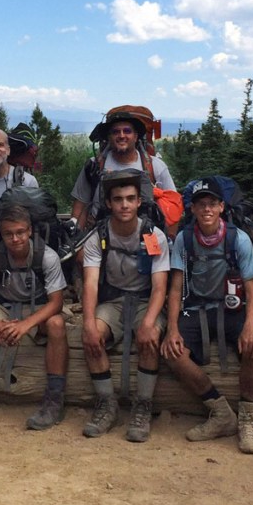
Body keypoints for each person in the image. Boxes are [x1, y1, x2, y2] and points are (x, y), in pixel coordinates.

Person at [161, 178, 253, 454]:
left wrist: (250, 327)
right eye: (200, 204)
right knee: (172, 352)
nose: (206, 209)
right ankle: (220, 411)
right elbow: (175, 288)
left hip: (233, 307)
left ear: (221, 207)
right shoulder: (184, 239)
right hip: (196, 308)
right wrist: (172, 328)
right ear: (192, 209)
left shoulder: (237, 239)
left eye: (212, 204)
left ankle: (247, 419)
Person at [0, 203, 68, 430]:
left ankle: (54, 399)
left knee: (57, 324)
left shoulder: (46, 256)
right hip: (4, 306)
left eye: (20, 232)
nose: (15, 239)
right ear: (1, 234)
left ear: (29, 231)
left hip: (37, 308)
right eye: (8, 234)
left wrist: (25, 325)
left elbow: (57, 301)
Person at [80, 171, 169, 442]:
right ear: (108, 203)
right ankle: (107, 403)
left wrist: (148, 322)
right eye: (118, 199)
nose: (125, 205)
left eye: (130, 198)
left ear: (139, 201)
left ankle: (143, 404)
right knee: (91, 334)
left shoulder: (153, 235)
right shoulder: (99, 235)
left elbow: (160, 286)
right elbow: (91, 283)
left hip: (145, 299)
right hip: (114, 300)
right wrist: (87, 323)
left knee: (150, 335)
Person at [70, 107, 175, 231]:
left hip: (145, 242)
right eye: (115, 132)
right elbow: (80, 207)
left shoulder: (155, 166)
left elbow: (173, 206)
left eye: (127, 131)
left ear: (136, 137)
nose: (121, 135)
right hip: (99, 241)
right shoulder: (94, 166)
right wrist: (76, 240)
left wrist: (168, 241)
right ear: (109, 137)